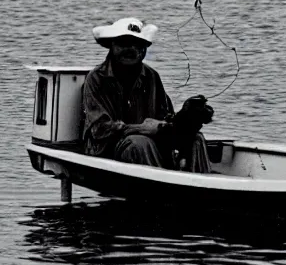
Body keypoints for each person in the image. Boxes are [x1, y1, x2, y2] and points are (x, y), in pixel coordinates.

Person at [82, 17, 213, 173]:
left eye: (136, 44)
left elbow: (166, 121)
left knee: (195, 139)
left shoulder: (151, 76)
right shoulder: (96, 78)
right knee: (139, 143)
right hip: (106, 150)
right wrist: (142, 129)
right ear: (112, 46)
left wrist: (187, 117)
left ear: (144, 49)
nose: (129, 49)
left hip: (149, 146)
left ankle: (200, 186)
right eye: (123, 43)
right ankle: (164, 189)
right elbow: (100, 130)